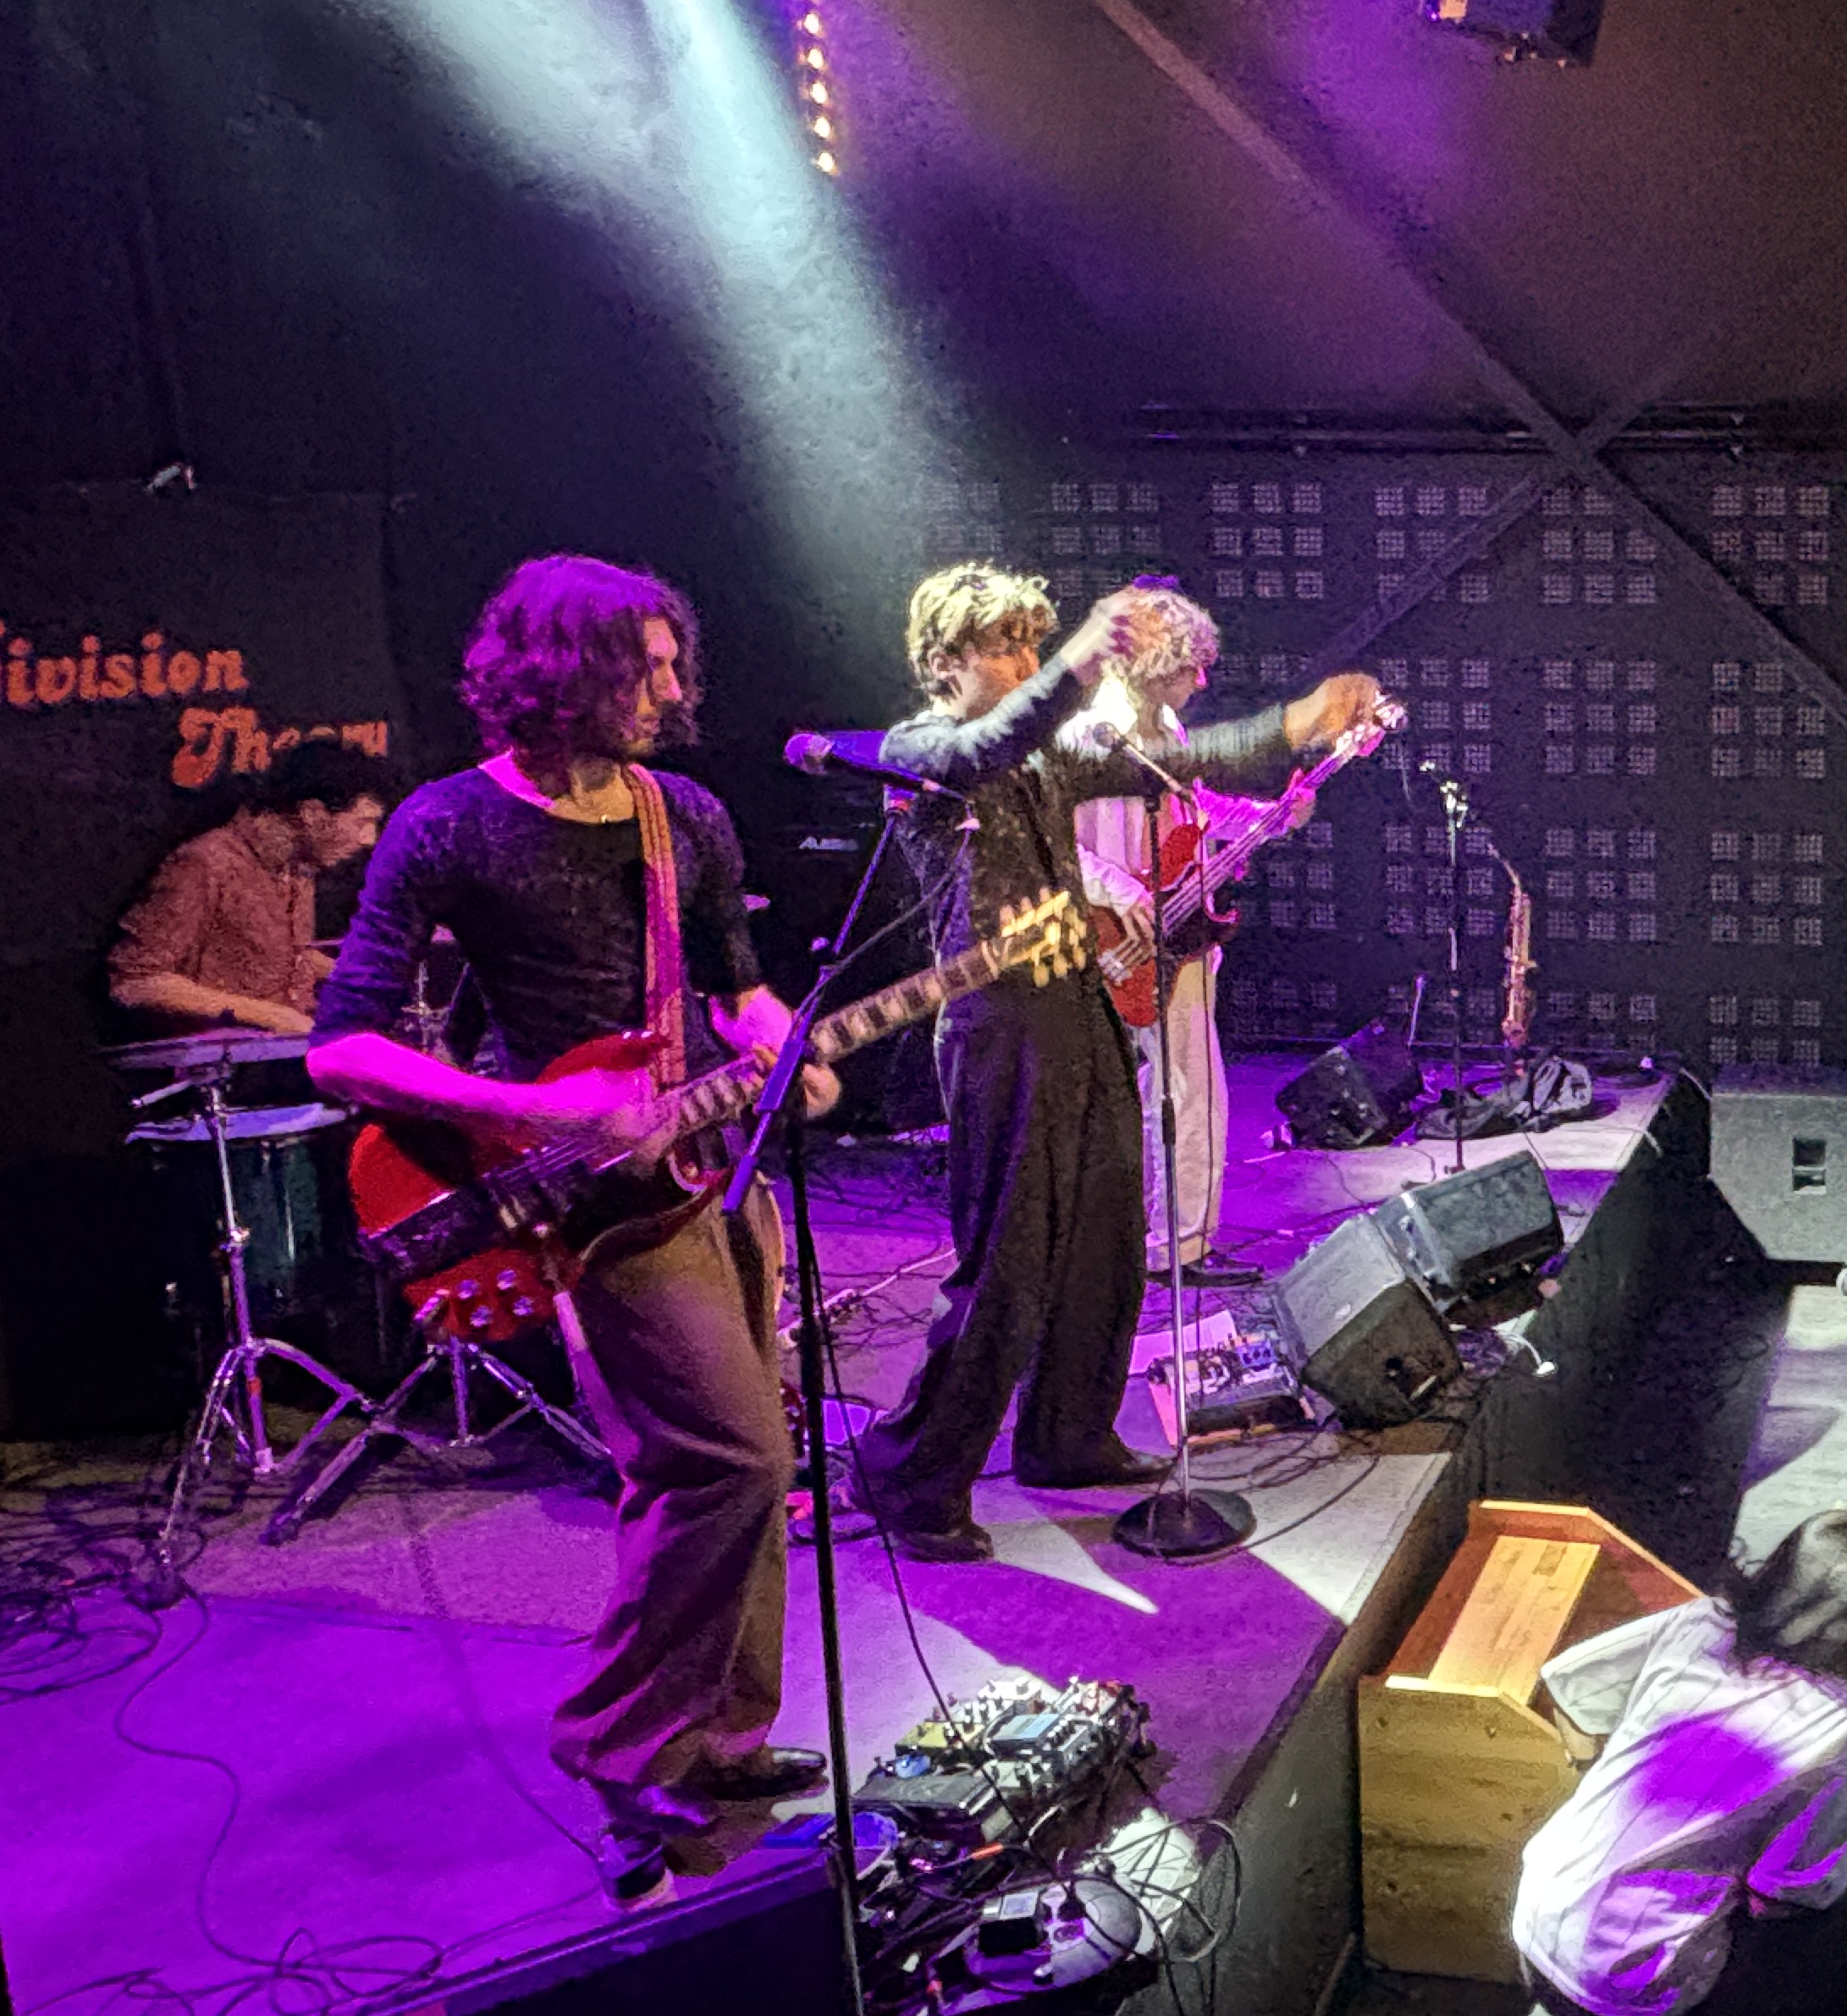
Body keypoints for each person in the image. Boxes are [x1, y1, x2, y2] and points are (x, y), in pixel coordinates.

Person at [307, 556, 834, 1900]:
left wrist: (784, 1047)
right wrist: (536, 1108)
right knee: (729, 1460)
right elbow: (342, 1048)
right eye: (639, 669)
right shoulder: (448, 824)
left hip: (705, 1168)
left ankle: (718, 1741)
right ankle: (616, 1740)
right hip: (573, 1192)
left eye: (671, 664)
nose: (670, 691)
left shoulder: (685, 815)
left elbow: (738, 993)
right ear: (556, 675)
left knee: (745, 1468)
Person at [852, 568, 1383, 1560]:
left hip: (1081, 1004)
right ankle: (914, 1475)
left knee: (1104, 1239)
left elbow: (1173, 761)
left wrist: (1295, 724)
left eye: (1030, 643)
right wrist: (1074, 663)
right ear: (942, 661)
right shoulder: (917, 749)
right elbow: (981, 747)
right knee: (1008, 1260)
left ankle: (1068, 1436)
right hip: (998, 1024)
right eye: (1002, 647)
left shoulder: (1048, 751)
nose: (1022, 662)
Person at [1498, 1503, 1847, 2016]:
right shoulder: (1843, 1727)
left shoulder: (1701, 1624)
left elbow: (1572, 1692)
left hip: (1540, 1917)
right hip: (1633, 1985)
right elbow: (1788, 1897)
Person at [1072, 592, 1266, 1291]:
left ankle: (1176, 1244)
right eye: (1189, 666)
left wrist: (1261, 817)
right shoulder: (1087, 736)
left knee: (1188, 1089)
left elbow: (1191, 813)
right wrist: (1121, 892)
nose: (1202, 680)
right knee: (1155, 1094)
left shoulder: (1172, 730)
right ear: (1150, 663)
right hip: (1112, 937)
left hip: (1175, 933)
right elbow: (1050, 847)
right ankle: (1153, 1247)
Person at [109, 737, 398, 1034]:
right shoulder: (206, 863)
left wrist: (354, 979)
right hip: (220, 1056)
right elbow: (135, 982)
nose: (369, 839)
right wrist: (270, 1016)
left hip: (279, 1051)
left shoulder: (300, 867)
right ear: (312, 813)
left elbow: (274, 959)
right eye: (362, 822)